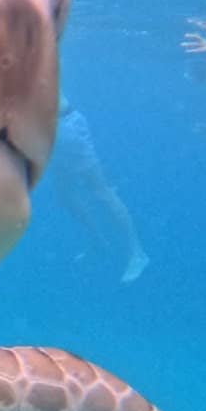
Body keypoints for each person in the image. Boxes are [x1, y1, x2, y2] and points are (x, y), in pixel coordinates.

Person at [48, 93, 149, 284]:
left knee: (101, 192)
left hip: (64, 128)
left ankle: (137, 253)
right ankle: (98, 243)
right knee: (66, 195)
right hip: (47, 131)